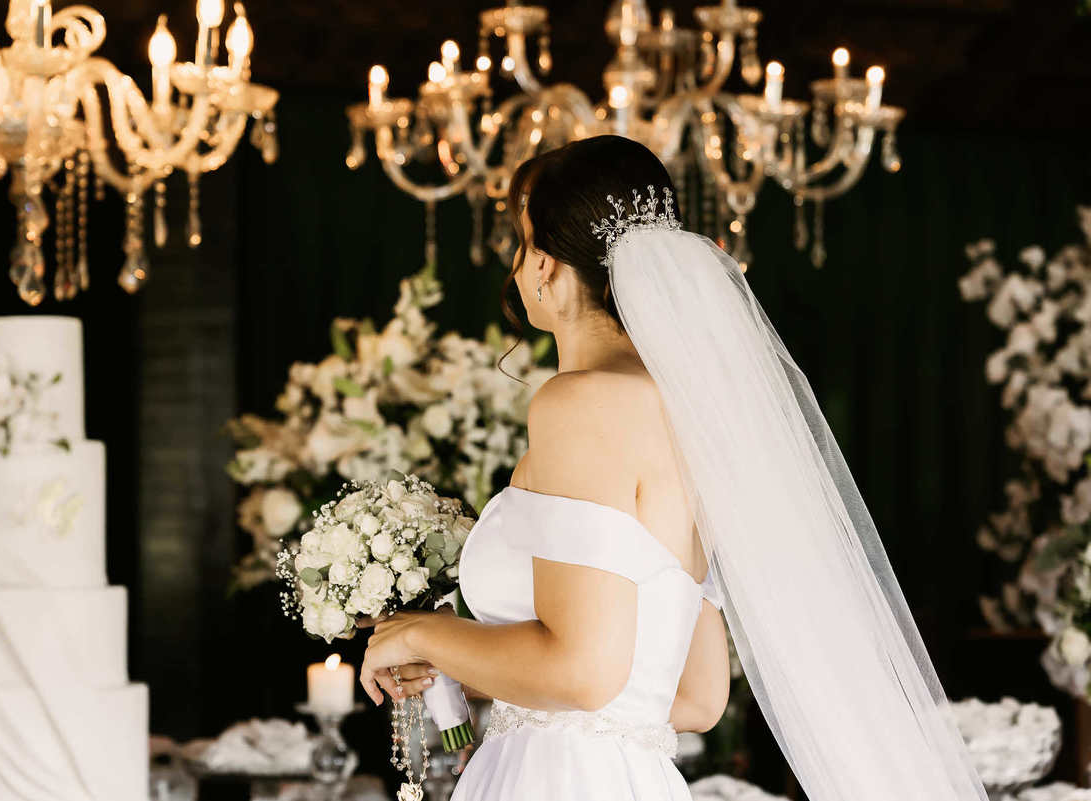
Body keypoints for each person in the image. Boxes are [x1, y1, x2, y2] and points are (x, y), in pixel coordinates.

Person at [359, 135, 989, 801]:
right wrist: (455, 656)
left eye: (520, 244)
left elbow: (580, 673)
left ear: (544, 263)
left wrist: (421, 629)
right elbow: (693, 696)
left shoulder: (581, 403)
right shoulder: (691, 414)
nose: (516, 268)